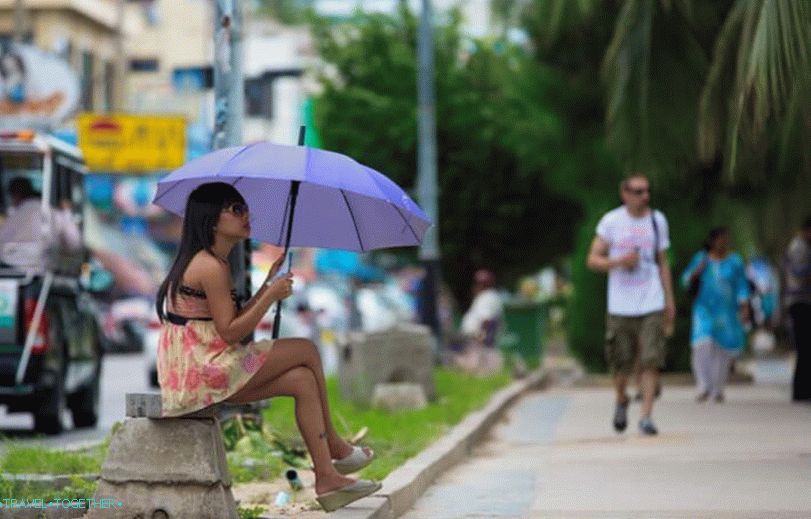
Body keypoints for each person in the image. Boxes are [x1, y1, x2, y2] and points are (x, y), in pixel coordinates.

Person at [154, 183, 380, 512]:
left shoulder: (213, 262)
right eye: (235, 209)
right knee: (306, 350)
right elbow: (231, 332)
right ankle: (334, 444)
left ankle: (328, 477)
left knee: (302, 380)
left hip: (204, 370)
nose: (247, 216)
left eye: (245, 209)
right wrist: (271, 296)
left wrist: (265, 287)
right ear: (212, 219)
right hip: (204, 373)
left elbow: (227, 323)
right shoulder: (209, 266)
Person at [587, 173, 675, 436]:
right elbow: (592, 259)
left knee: (651, 358)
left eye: (646, 191)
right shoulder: (611, 222)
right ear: (624, 194)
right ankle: (621, 397)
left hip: (651, 300)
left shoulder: (657, 221)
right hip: (620, 304)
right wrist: (618, 262)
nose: (644, 196)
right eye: (637, 191)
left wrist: (669, 299)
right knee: (620, 361)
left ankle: (646, 416)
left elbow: (663, 262)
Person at [681, 227, 751, 402]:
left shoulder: (735, 262)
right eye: (719, 239)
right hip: (703, 309)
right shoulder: (701, 259)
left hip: (726, 312)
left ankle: (717, 388)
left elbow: (742, 286)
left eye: (725, 239)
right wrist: (697, 271)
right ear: (712, 241)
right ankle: (703, 385)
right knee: (702, 344)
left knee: (722, 350)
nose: (723, 243)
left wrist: (744, 307)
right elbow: (686, 280)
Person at [0, 177, 82, 270]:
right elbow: (74, 243)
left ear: (16, 196)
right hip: (43, 274)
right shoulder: (54, 213)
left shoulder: (12, 215)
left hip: (11, 272)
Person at [783, 216, 811, 402]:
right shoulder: (798, 247)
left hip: (804, 301)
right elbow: (799, 273)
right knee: (804, 347)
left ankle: (804, 390)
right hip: (799, 302)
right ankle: (800, 391)